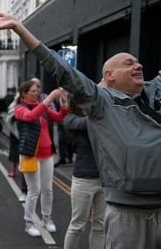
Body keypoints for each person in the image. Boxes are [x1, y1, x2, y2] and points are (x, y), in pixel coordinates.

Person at [0, 12, 161, 248]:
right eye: (128, 63)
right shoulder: (102, 102)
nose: (137, 65)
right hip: (129, 216)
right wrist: (18, 28)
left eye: (138, 62)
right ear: (109, 75)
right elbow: (62, 70)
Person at [15, 80, 68, 236]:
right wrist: (50, 98)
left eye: (38, 90)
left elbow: (59, 118)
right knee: (33, 191)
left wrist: (63, 104)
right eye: (33, 91)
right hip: (30, 155)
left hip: (47, 154)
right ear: (24, 94)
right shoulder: (20, 109)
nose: (37, 92)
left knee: (48, 190)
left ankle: (47, 218)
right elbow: (31, 116)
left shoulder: (43, 108)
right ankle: (29, 222)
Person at [63, 98, 105, 249]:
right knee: (77, 225)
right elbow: (85, 123)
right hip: (84, 179)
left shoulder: (97, 120)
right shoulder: (70, 120)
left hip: (103, 179)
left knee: (100, 225)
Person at [5, 93, 28, 201]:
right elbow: (9, 116)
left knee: (23, 153)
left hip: (25, 132)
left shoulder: (29, 105)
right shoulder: (14, 105)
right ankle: (13, 169)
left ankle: (23, 171)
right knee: (14, 151)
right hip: (15, 131)